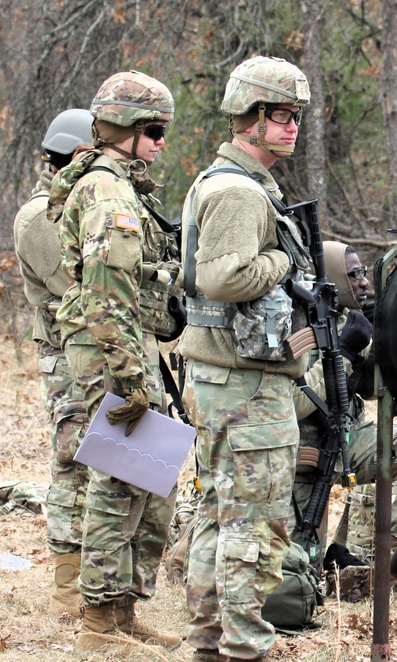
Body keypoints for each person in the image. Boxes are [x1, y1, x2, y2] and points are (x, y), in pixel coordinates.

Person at [178, 55, 314, 662]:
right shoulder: (237, 191)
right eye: (282, 116)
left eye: (296, 117)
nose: (292, 127)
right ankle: (244, 648)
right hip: (245, 386)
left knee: (219, 516)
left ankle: (212, 644)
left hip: (227, 379)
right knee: (254, 526)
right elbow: (222, 278)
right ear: (251, 118)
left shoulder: (229, 182)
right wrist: (285, 260)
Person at [50, 71, 182, 653]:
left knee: (151, 479)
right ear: (123, 129)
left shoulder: (120, 186)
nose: (160, 142)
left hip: (123, 345)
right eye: (153, 131)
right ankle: (99, 624)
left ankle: (123, 610)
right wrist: (130, 377)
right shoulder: (108, 193)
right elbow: (107, 293)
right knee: (121, 481)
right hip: (111, 349)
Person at [291, 241, 397, 598]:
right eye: (353, 275)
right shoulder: (301, 324)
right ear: (332, 280)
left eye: (363, 273)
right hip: (303, 454)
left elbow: (373, 388)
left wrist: (384, 335)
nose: (363, 282)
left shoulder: (348, 320)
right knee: (300, 578)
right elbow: (299, 402)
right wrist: (345, 351)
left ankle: (384, 564)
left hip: (350, 439)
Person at [13, 108, 93, 617]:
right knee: (74, 461)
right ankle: (68, 584)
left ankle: (106, 580)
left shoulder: (86, 206)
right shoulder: (40, 216)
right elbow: (76, 286)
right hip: (66, 356)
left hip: (101, 353)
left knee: (120, 463)